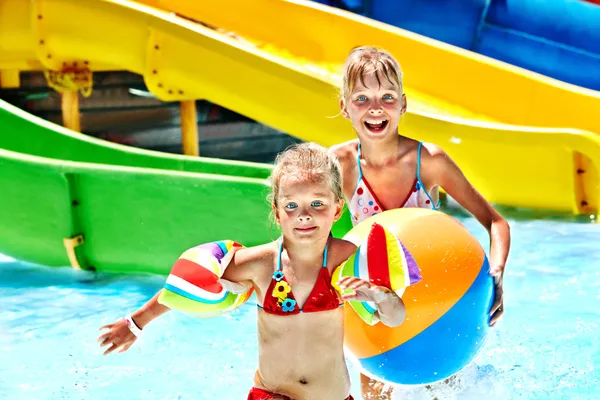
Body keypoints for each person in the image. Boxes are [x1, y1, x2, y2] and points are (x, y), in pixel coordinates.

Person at [98, 143, 408, 400]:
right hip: (272, 395)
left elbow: (394, 319)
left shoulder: (347, 259)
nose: (304, 216)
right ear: (276, 211)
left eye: (317, 204)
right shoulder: (261, 263)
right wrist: (135, 323)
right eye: (291, 206)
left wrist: (380, 296)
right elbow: (186, 287)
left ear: (337, 209)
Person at [329, 46, 511, 399]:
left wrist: (497, 274)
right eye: (362, 98)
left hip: (440, 299)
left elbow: (496, 222)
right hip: (374, 314)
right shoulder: (339, 165)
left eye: (387, 97)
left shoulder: (429, 162)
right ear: (344, 106)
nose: (375, 108)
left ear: (403, 104)